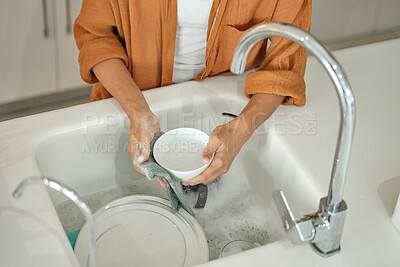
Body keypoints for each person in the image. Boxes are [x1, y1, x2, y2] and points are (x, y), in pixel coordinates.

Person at [74, 0, 312, 187]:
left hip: (220, 97)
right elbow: (96, 36)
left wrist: (240, 130)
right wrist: (137, 111)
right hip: (129, 96)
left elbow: (285, 63)